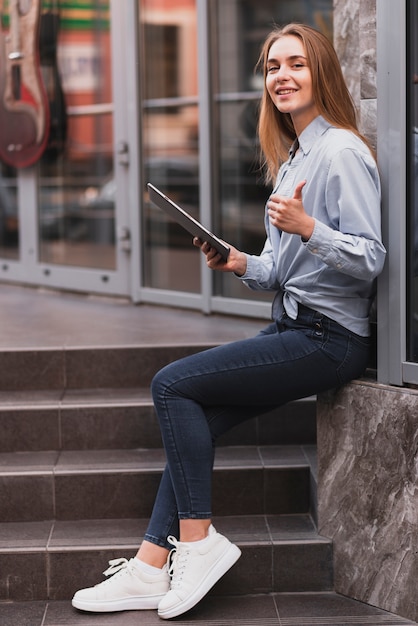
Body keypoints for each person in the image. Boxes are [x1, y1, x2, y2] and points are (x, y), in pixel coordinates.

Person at [71, 23, 386, 620]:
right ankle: (147, 566)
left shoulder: (341, 150)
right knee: (197, 420)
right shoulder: (294, 156)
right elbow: (279, 271)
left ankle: (198, 542)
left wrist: (310, 229)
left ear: (321, 72)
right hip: (297, 326)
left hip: (330, 338)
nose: (282, 77)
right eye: (272, 67)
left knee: (172, 384)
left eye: (296, 64)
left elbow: (372, 257)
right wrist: (239, 261)